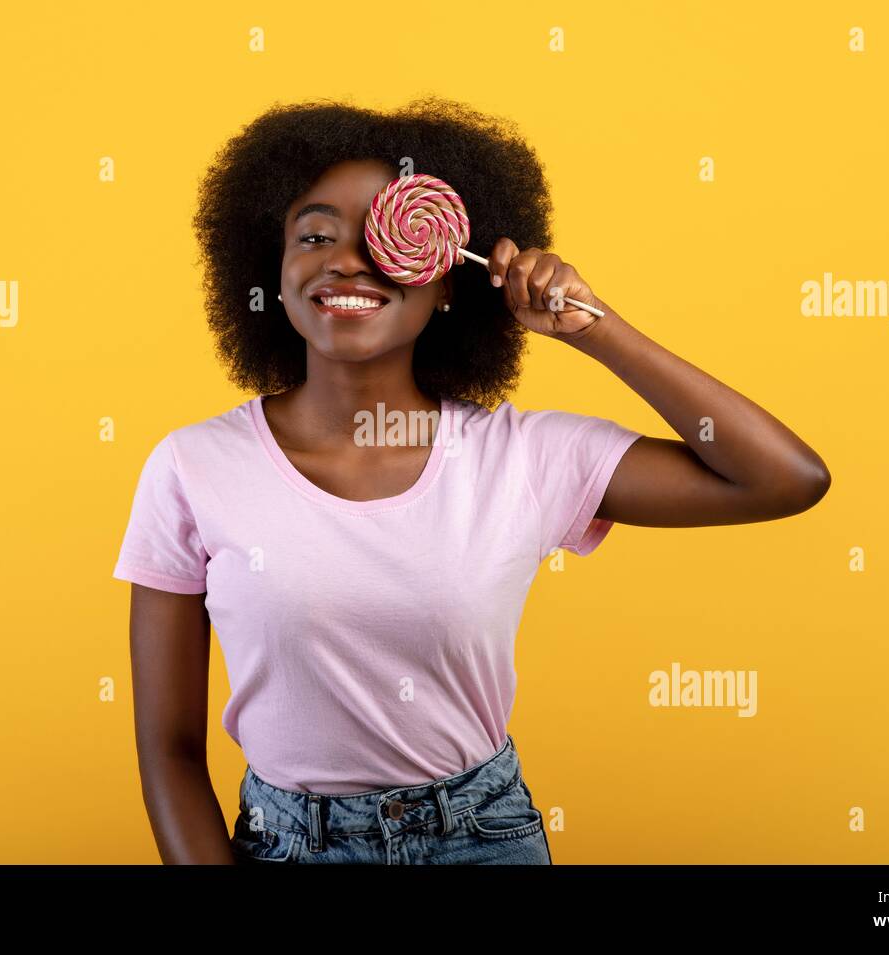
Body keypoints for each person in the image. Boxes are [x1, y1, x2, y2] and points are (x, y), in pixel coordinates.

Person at [113, 97, 830, 864]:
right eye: (315, 235)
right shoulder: (192, 467)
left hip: (480, 838)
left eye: (385, 239)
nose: (347, 259)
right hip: (287, 844)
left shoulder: (522, 456)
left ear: (449, 277)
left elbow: (784, 477)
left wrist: (597, 326)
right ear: (275, 275)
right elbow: (171, 750)